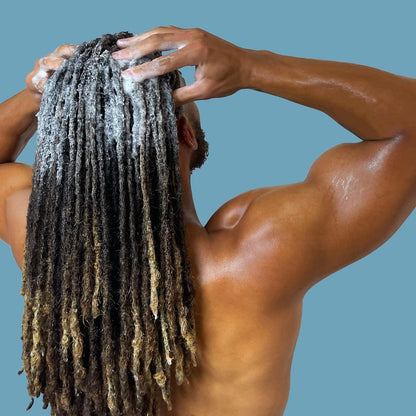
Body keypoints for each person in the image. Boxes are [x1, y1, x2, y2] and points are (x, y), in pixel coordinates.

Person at [1, 25, 415, 416]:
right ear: (185, 132)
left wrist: (44, 95)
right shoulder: (259, 250)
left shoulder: (42, 243)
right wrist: (251, 66)